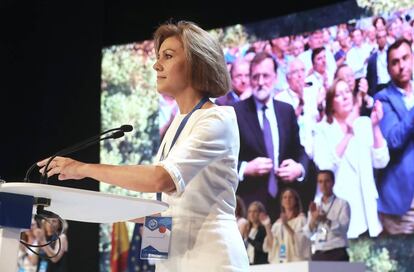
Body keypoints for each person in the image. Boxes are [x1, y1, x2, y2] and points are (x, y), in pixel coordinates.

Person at [38, 21, 249, 271]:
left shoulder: (217, 119)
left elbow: (162, 179)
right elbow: (162, 210)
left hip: (209, 259)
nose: (156, 65)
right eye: (158, 57)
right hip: (173, 260)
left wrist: (83, 169)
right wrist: (83, 209)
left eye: (168, 56)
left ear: (197, 63)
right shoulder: (176, 124)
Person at [234, 51, 309, 222]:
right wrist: (245, 168)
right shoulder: (235, 113)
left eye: (265, 76)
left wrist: (299, 169)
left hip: (286, 204)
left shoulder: (286, 111)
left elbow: (300, 151)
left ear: (275, 78)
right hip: (251, 205)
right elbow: (221, 159)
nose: (260, 82)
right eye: (255, 77)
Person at [313, 78, 389, 238]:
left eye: (347, 92)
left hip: (366, 211)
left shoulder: (364, 123)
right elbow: (324, 166)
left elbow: (381, 161)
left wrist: (375, 127)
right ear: (331, 103)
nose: (346, 97)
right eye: (339, 95)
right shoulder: (321, 129)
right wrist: (348, 134)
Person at [374, 38, 414, 235]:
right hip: (404, 202)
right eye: (395, 62)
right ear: (389, 69)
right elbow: (394, 140)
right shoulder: (382, 98)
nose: (401, 65)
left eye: (405, 58)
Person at [303, 170, 351, 261]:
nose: (323, 185)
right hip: (319, 251)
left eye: (327, 181)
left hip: (337, 251)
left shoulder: (343, 203)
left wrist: (326, 220)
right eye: (320, 182)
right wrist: (313, 219)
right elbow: (308, 233)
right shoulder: (315, 205)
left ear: (333, 183)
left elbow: (343, 229)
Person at [262, 188, 311, 263]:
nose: (287, 199)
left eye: (290, 197)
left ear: (295, 201)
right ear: (282, 202)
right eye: (285, 197)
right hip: (281, 262)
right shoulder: (277, 224)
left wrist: (286, 225)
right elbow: (271, 246)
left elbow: (302, 241)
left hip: (296, 261)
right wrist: (267, 226)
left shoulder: (301, 220)